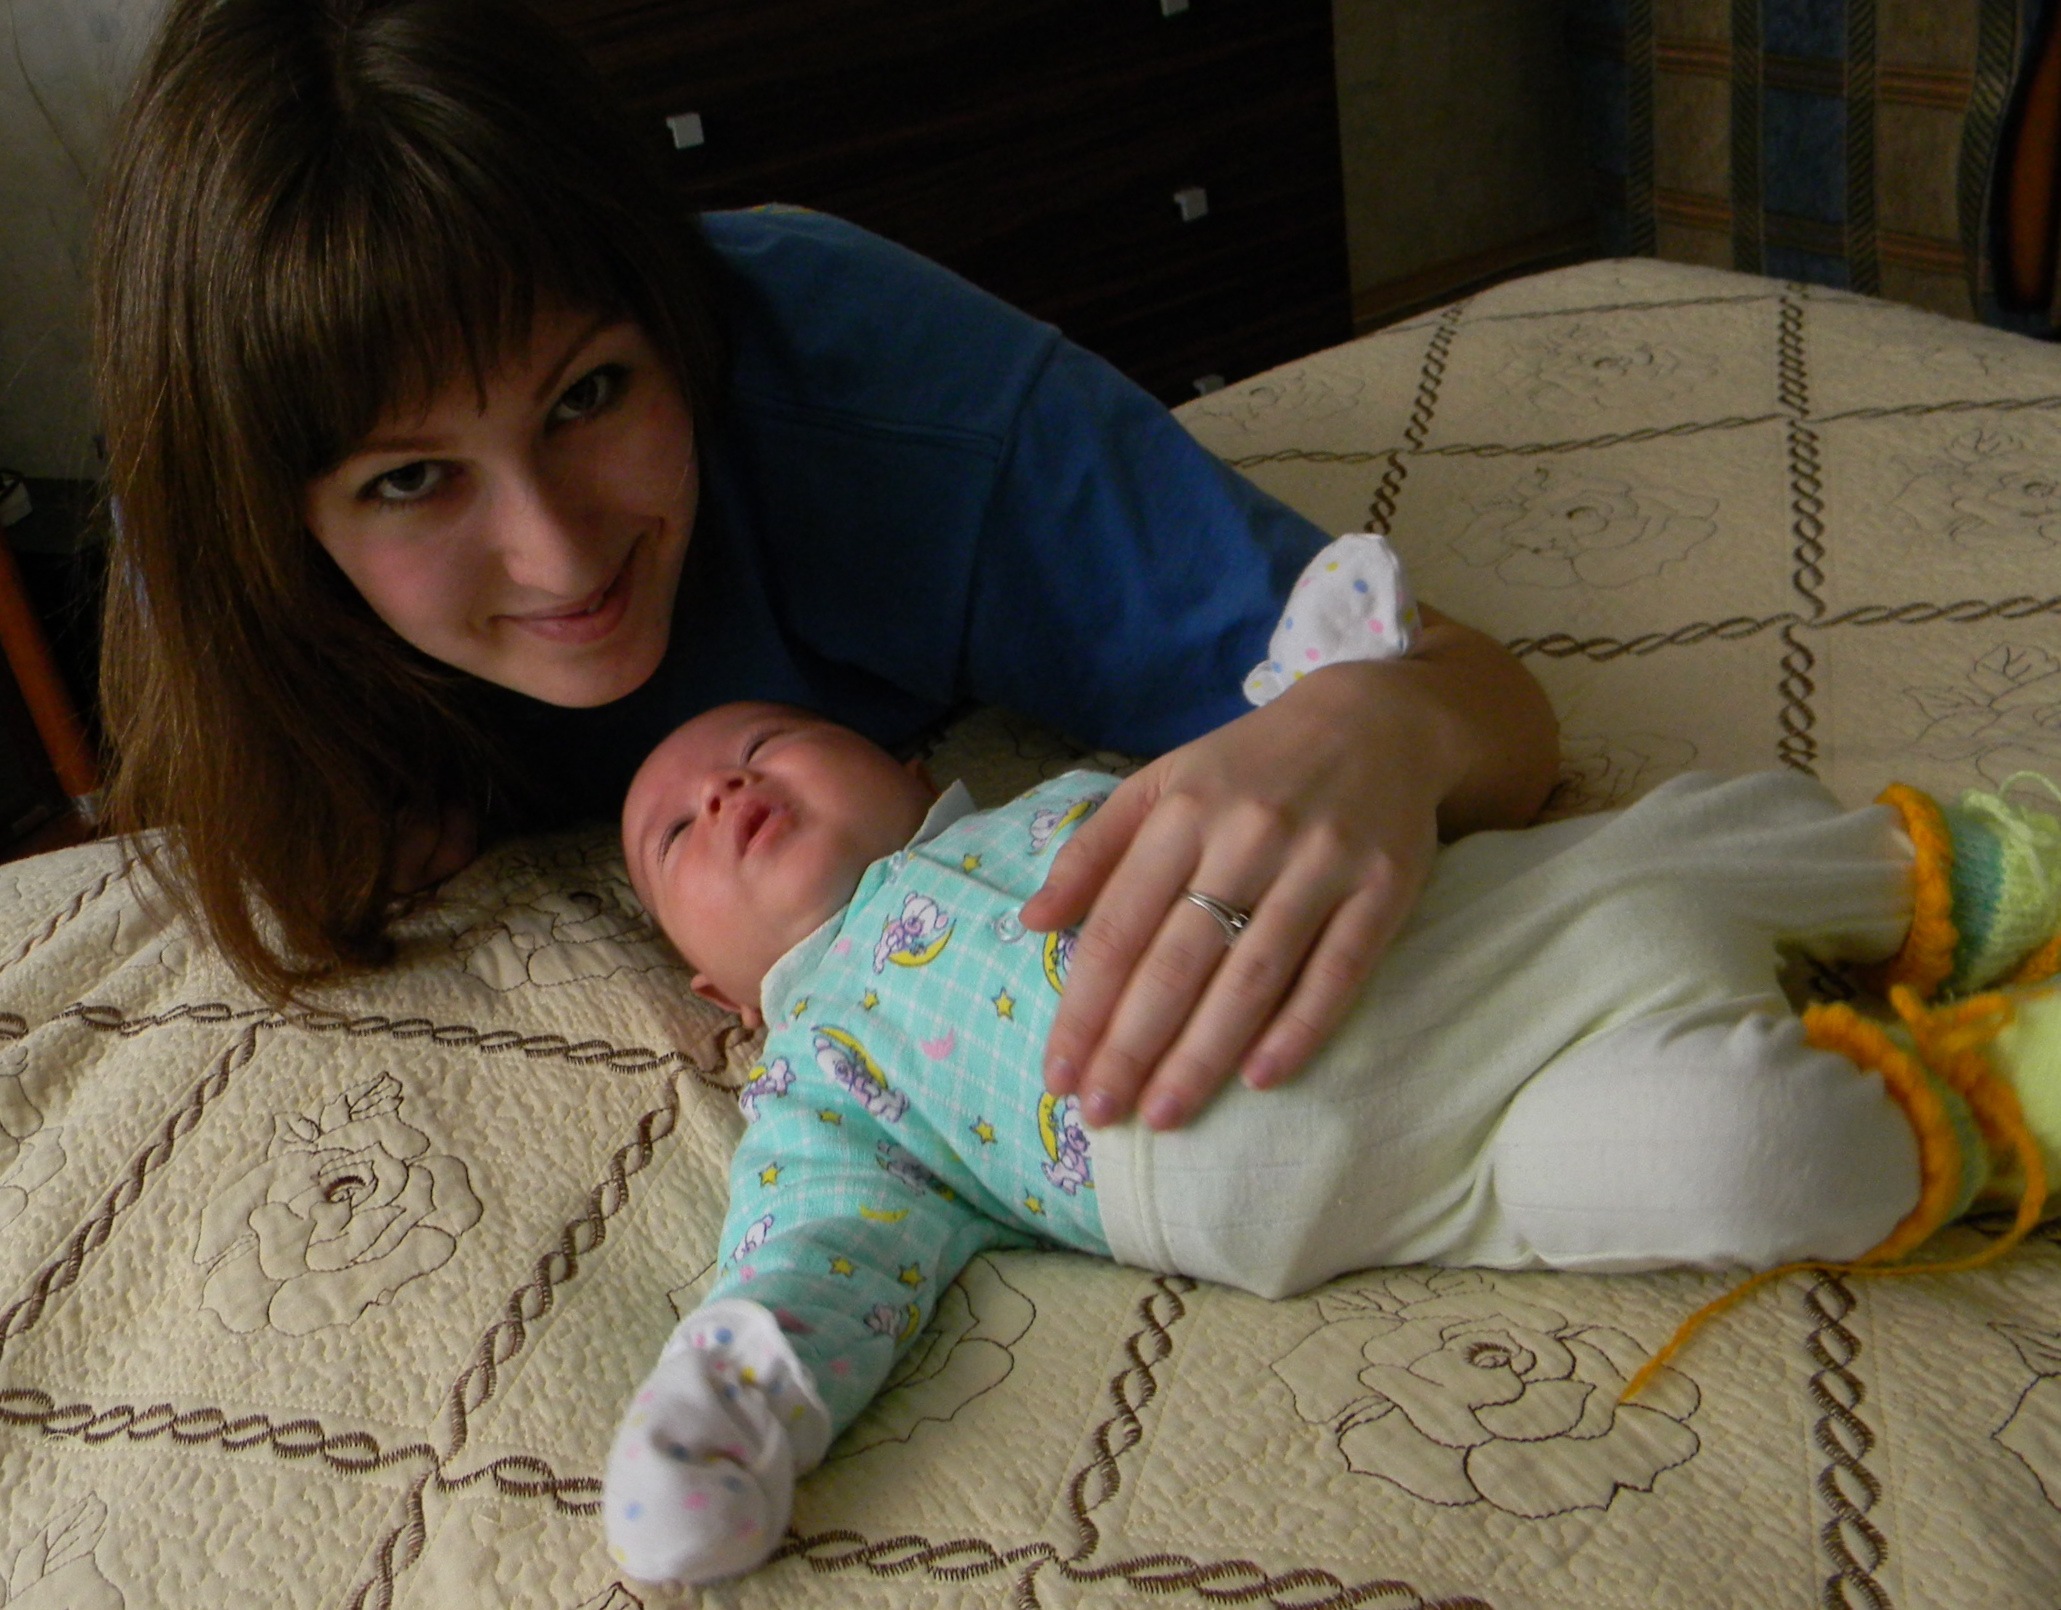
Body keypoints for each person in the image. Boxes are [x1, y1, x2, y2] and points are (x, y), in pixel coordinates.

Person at [89, 0, 1557, 1135]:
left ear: (677, 322)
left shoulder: (907, 416)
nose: (557, 551)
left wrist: (1381, 728)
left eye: (590, 394)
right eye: (410, 480)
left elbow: (1473, 699)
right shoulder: (219, 579)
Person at [602, 694, 2061, 1585]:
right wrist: (721, 1417)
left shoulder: (1070, 801)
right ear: (718, 996)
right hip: (1453, 1173)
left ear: (911, 767)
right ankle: (1999, 1101)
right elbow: (812, 1259)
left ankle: (1976, 875)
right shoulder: (825, 1079)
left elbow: (1296, 766)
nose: (724, 788)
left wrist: (1327, 667)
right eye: (674, 834)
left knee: (1689, 853)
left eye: (765, 741)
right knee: (1750, 1157)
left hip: (1466, 932)